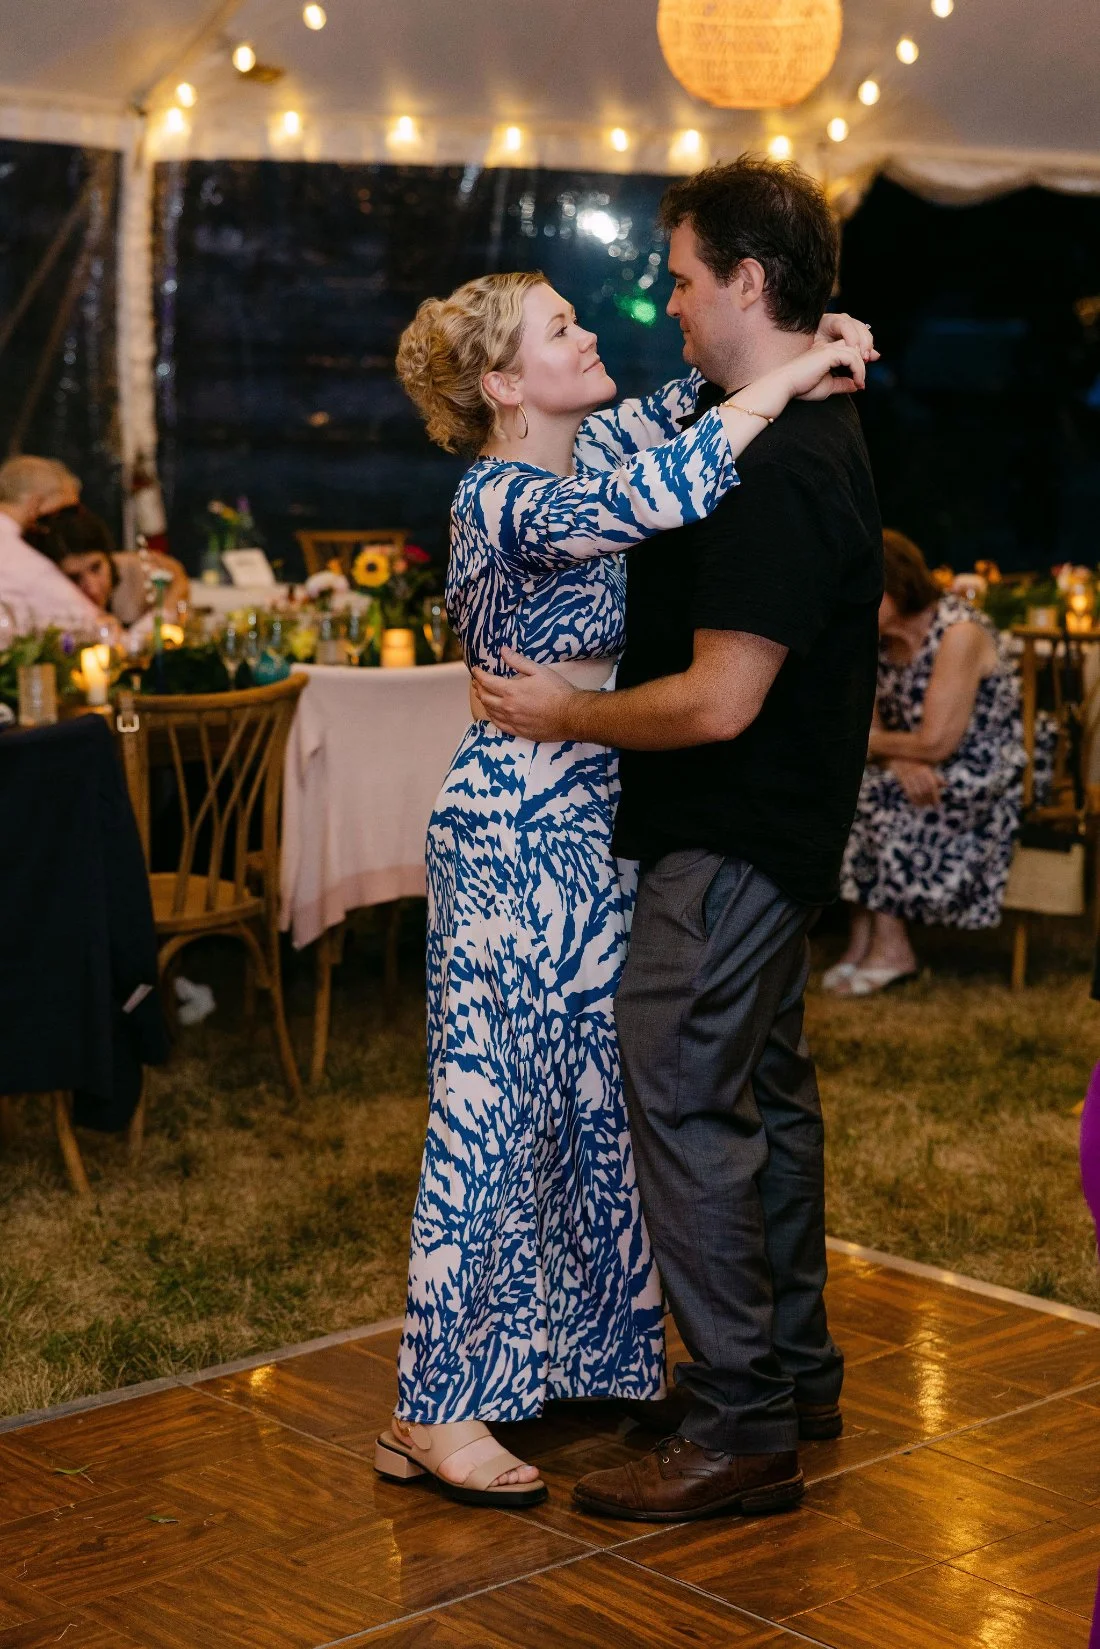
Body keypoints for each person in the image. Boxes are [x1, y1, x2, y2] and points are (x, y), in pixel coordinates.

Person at [375, 264, 870, 1507]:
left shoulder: (591, 447)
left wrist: (812, 344)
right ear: (501, 384)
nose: (591, 330)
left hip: (591, 822)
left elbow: (702, 401)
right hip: (506, 831)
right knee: (488, 1116)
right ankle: (428, 1411)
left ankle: (580, 1361)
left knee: (588, 1107)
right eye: (560, 327)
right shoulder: (500, 496)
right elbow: (682, 479)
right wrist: (802, 372)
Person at [825, 529, 1027, 995]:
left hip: (979, 773)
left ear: (894, 586)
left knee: (873, 790)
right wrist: (893, 759)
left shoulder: (958, 632)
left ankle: (893, 947)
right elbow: (864, 723)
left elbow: (936, 743)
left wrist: (879, 752)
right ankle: (864, 939)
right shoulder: (872, 638)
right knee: (851, 786)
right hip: (911, 761)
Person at [0, 456, 118, 639]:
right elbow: (104, 633)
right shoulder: (24, 565)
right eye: (66, 512)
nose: (69, 525)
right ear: (35, 504)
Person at [36, 502, 188, 628]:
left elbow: (177, 574)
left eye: (96, 568)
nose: (92, 587)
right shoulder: (51, 607)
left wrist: (164, 610)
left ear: (109, 558)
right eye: (75, 578)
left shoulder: (133, 569)